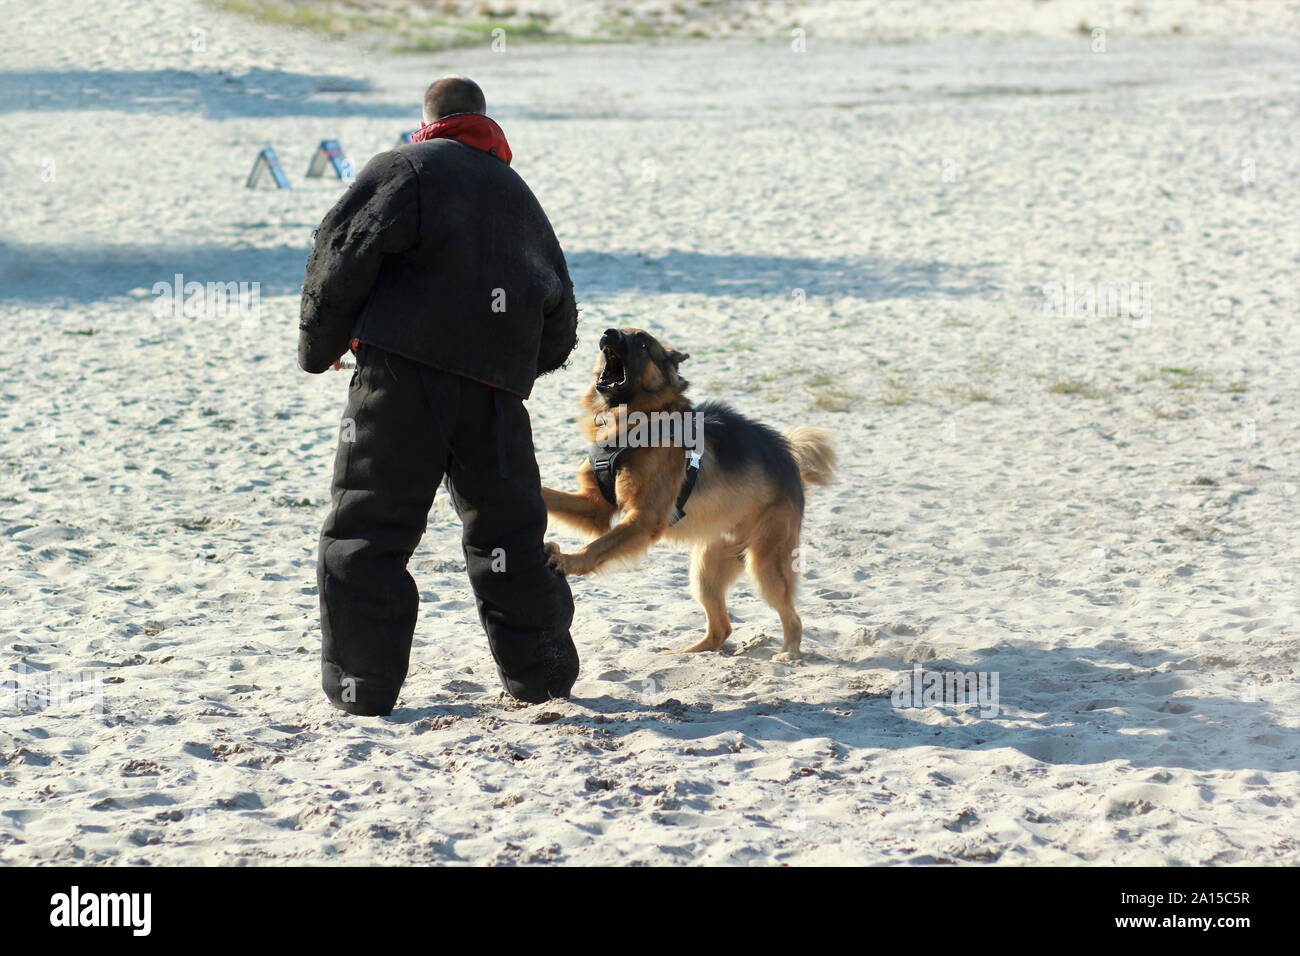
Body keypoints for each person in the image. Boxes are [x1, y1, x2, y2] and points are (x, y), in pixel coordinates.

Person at [298, 75, 580, 716]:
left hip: (400, 381)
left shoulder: (403, 167)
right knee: (509, 535)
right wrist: (518, 370)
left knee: (367, 532)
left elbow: (340, 253)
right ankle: (543, 679)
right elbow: (558, 309)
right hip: (495, 397)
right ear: (484, 119)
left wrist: (321, 347)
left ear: (426, 118)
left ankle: (361, 690)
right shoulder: (519, 194)